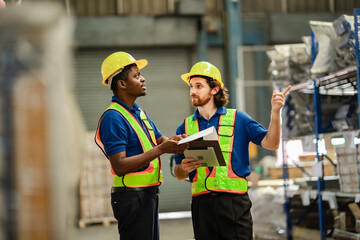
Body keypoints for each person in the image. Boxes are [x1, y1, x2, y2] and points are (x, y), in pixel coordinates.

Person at [174, 61, 291, 240]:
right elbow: (179, 173)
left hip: (234, 204)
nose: (192, 91)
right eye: (191, 86)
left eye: (199, 86)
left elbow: (272, 143)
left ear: (214, 89)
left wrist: (275, 113)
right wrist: (184, 168)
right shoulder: (185, 127)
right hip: (202, 206)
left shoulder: (239, 119)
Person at [95, 51, 188, 240]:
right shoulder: (113, 117)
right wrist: (162, 149)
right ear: (121, 84)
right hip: (131, 198)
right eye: (136, 76)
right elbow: (119, 166)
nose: (143, 79)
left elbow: (160, 140)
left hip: (147, 195)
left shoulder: (138, 112)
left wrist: (181, 141)